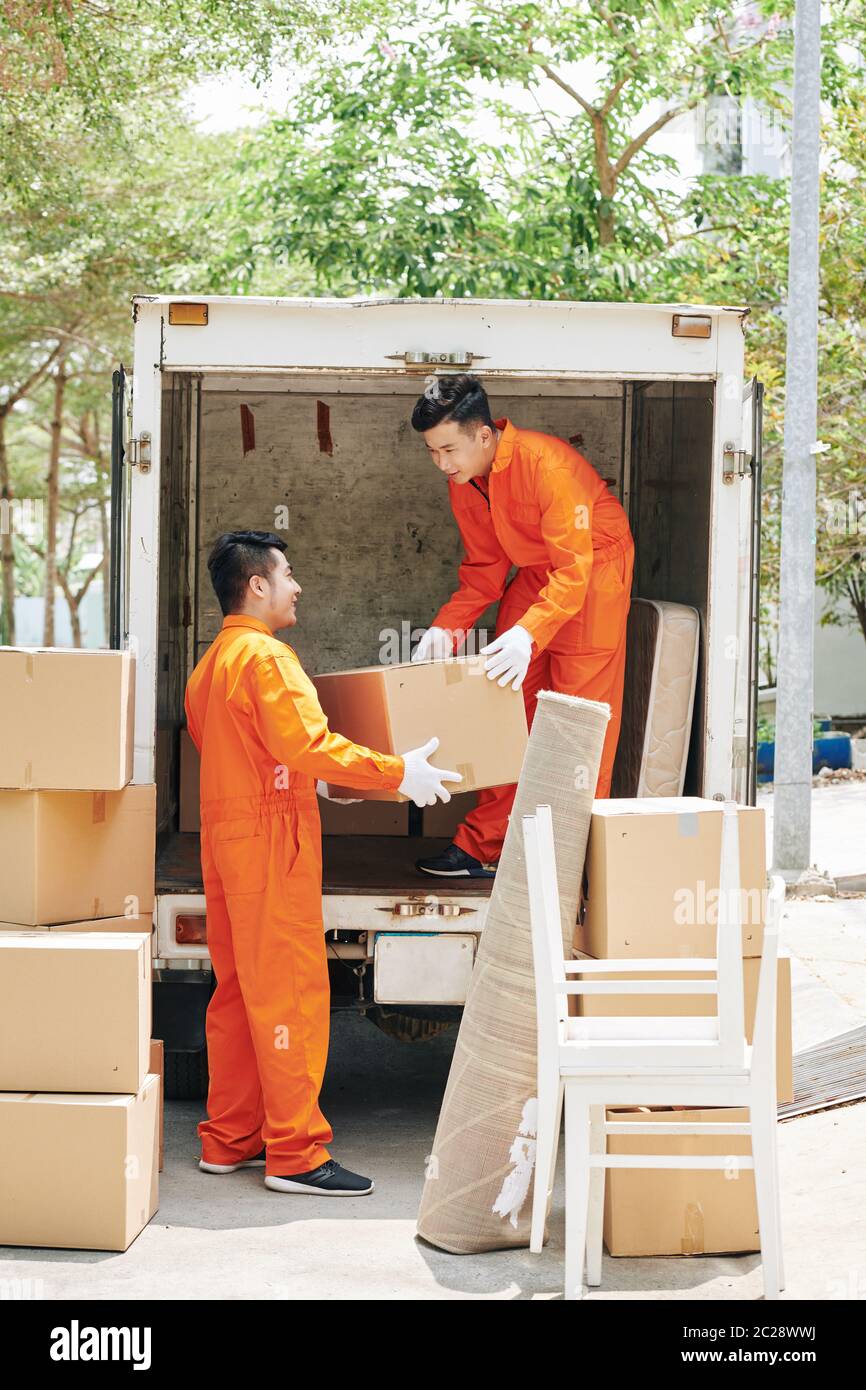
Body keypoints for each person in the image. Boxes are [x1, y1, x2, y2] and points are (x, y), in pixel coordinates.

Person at [184, 531, 460, 1196]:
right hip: (271, 843)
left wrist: (317, 779)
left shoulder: (210, 665)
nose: (297, 586)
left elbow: (256, 750)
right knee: (291, 996)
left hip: (228, 840)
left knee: (239, 995)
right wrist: (396, 772)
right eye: (287, 573)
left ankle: (231, 1139)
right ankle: (297, 1156)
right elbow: (305, 742)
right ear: (257, 585)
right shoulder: (267, 659)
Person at [410, 374, 634, 879]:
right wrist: (447, 630)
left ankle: (567, 864)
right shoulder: (466, 483)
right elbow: (485, 570)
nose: (442, 464)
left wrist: (531, 632)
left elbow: (575, 570)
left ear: (484, 436)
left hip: (594, 569)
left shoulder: (546, 466)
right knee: (506, 709)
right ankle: (484, 845)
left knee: (579, 722)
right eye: (432, 452)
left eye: (448, 449)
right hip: (539, 574)